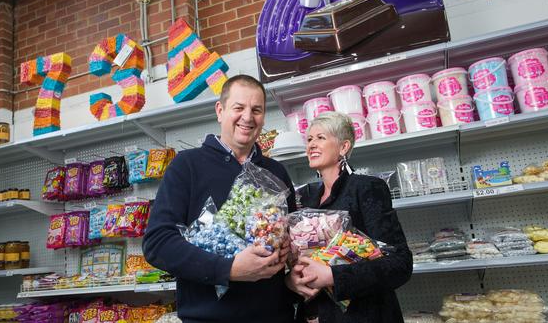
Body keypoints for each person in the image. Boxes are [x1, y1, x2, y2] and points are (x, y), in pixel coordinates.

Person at [142, 75, 297, 323]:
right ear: (220, 110)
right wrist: (228, 270)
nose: (248, 117)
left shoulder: (276, 172)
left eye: (256, 110)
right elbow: (158, 244)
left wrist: (290, 253)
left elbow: (289, 240)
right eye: (239, 108)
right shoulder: (186, 166)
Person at [285, 111, 413, 323]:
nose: (311, 145)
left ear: (344, 147)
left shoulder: (366, 188)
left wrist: (332, 276)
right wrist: (292, 281)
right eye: (309, 139)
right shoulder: (305, 201)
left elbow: (399, 264)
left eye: (321, 138)